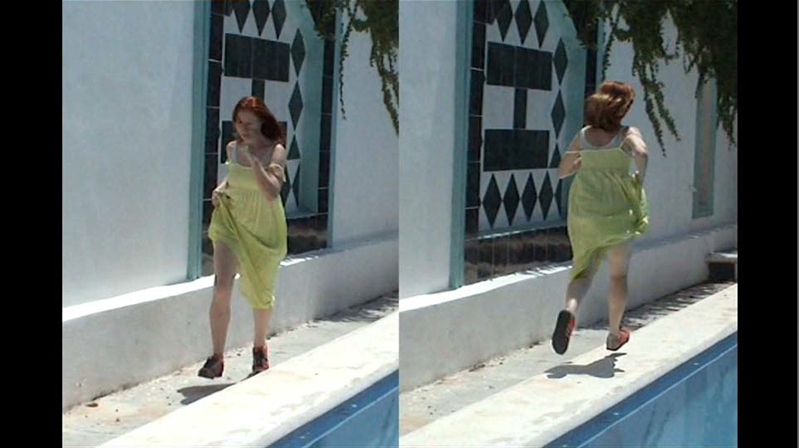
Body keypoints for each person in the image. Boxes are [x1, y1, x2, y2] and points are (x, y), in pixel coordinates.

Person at [551, 80, 649, 355]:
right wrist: (638, 178)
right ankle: (614, 334)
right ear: (623, 108)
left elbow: (562, 171)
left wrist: (585, 161)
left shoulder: (583, 136)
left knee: (583, 271)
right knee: (618, 275)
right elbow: (641, 153)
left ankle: (569, 311)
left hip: (584, 213)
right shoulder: (627, 133)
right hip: (617, 215)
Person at [198, 96, 289, 378]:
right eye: (239, 122)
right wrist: (221, 187)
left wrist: (254, 162)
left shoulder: (275, 151)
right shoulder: (232, 148)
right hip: (231, 220)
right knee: (222, 287)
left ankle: (260, 348)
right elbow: (235, 176)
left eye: (249, 123)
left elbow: (271, 191)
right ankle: (216, 357)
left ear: (262, 121)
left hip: (263, 226)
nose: (243, 129)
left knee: (261, 292)